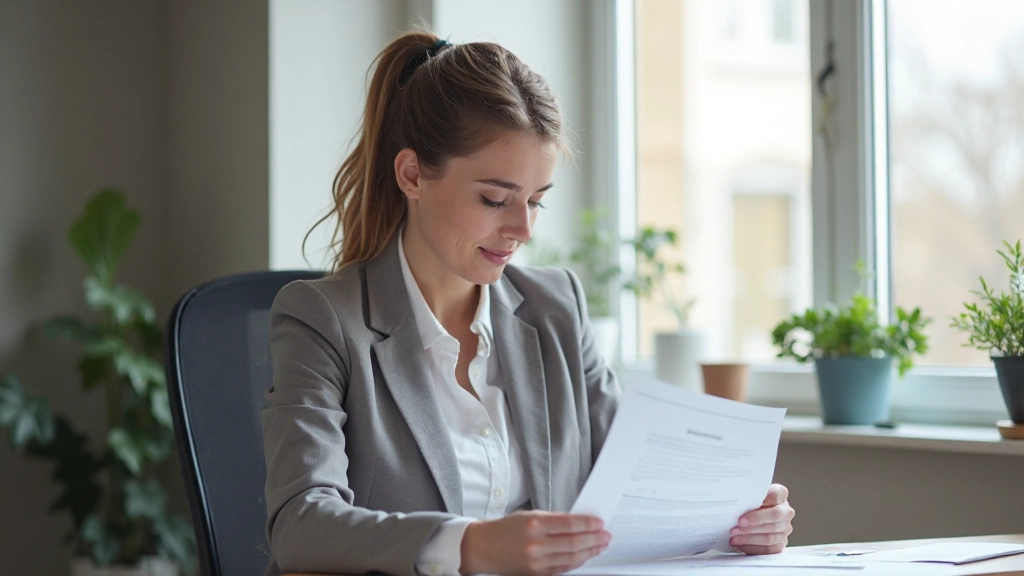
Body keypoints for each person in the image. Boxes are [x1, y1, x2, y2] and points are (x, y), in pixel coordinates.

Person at [261, 31, 795, 576]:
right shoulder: (323, 319)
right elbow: (300, 523)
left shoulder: (555, 306)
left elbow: (633, 479)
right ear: (413, 174)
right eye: (495, 199)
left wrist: (737, 516)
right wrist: (470, 546)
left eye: (536, 201)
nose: (522, 229)